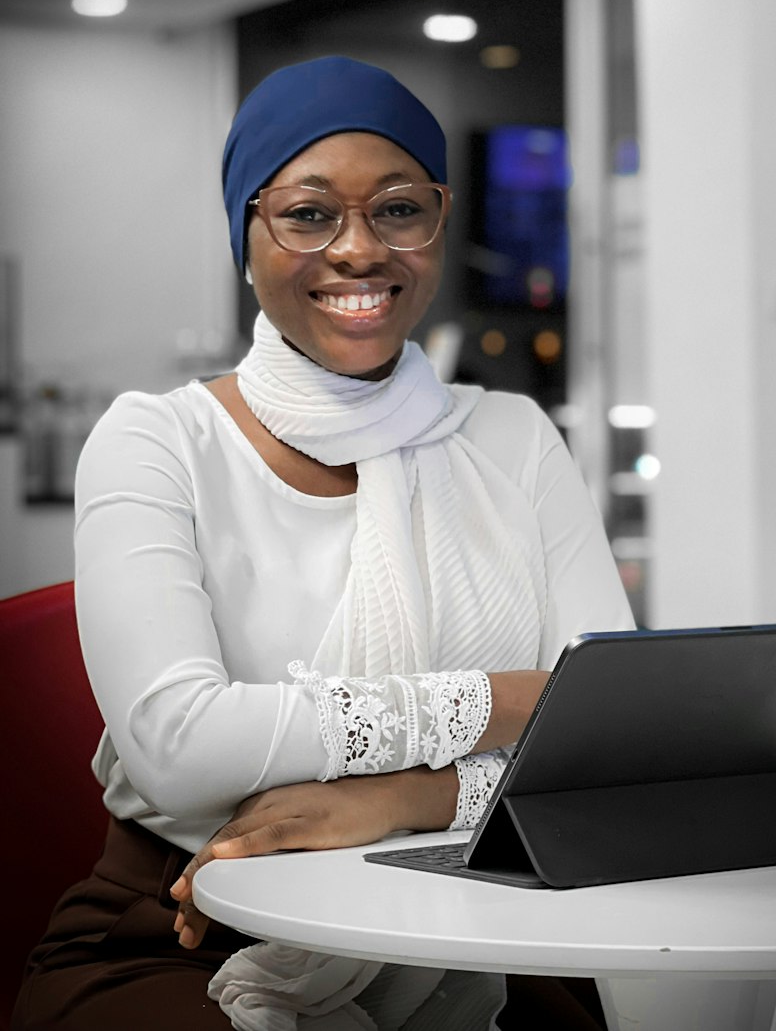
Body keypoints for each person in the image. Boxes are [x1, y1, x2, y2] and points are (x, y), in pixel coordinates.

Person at [12, 56, 634, 1030]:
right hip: (185, 927)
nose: (358, 248)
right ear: (246, 236)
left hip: (477, 918)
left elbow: (610, 750)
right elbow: (180, 747)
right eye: (307, 214)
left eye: (396, 209)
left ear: (438, 218)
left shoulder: (510, 437)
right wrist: (497, 703)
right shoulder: (159, 439)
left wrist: (398, 799)